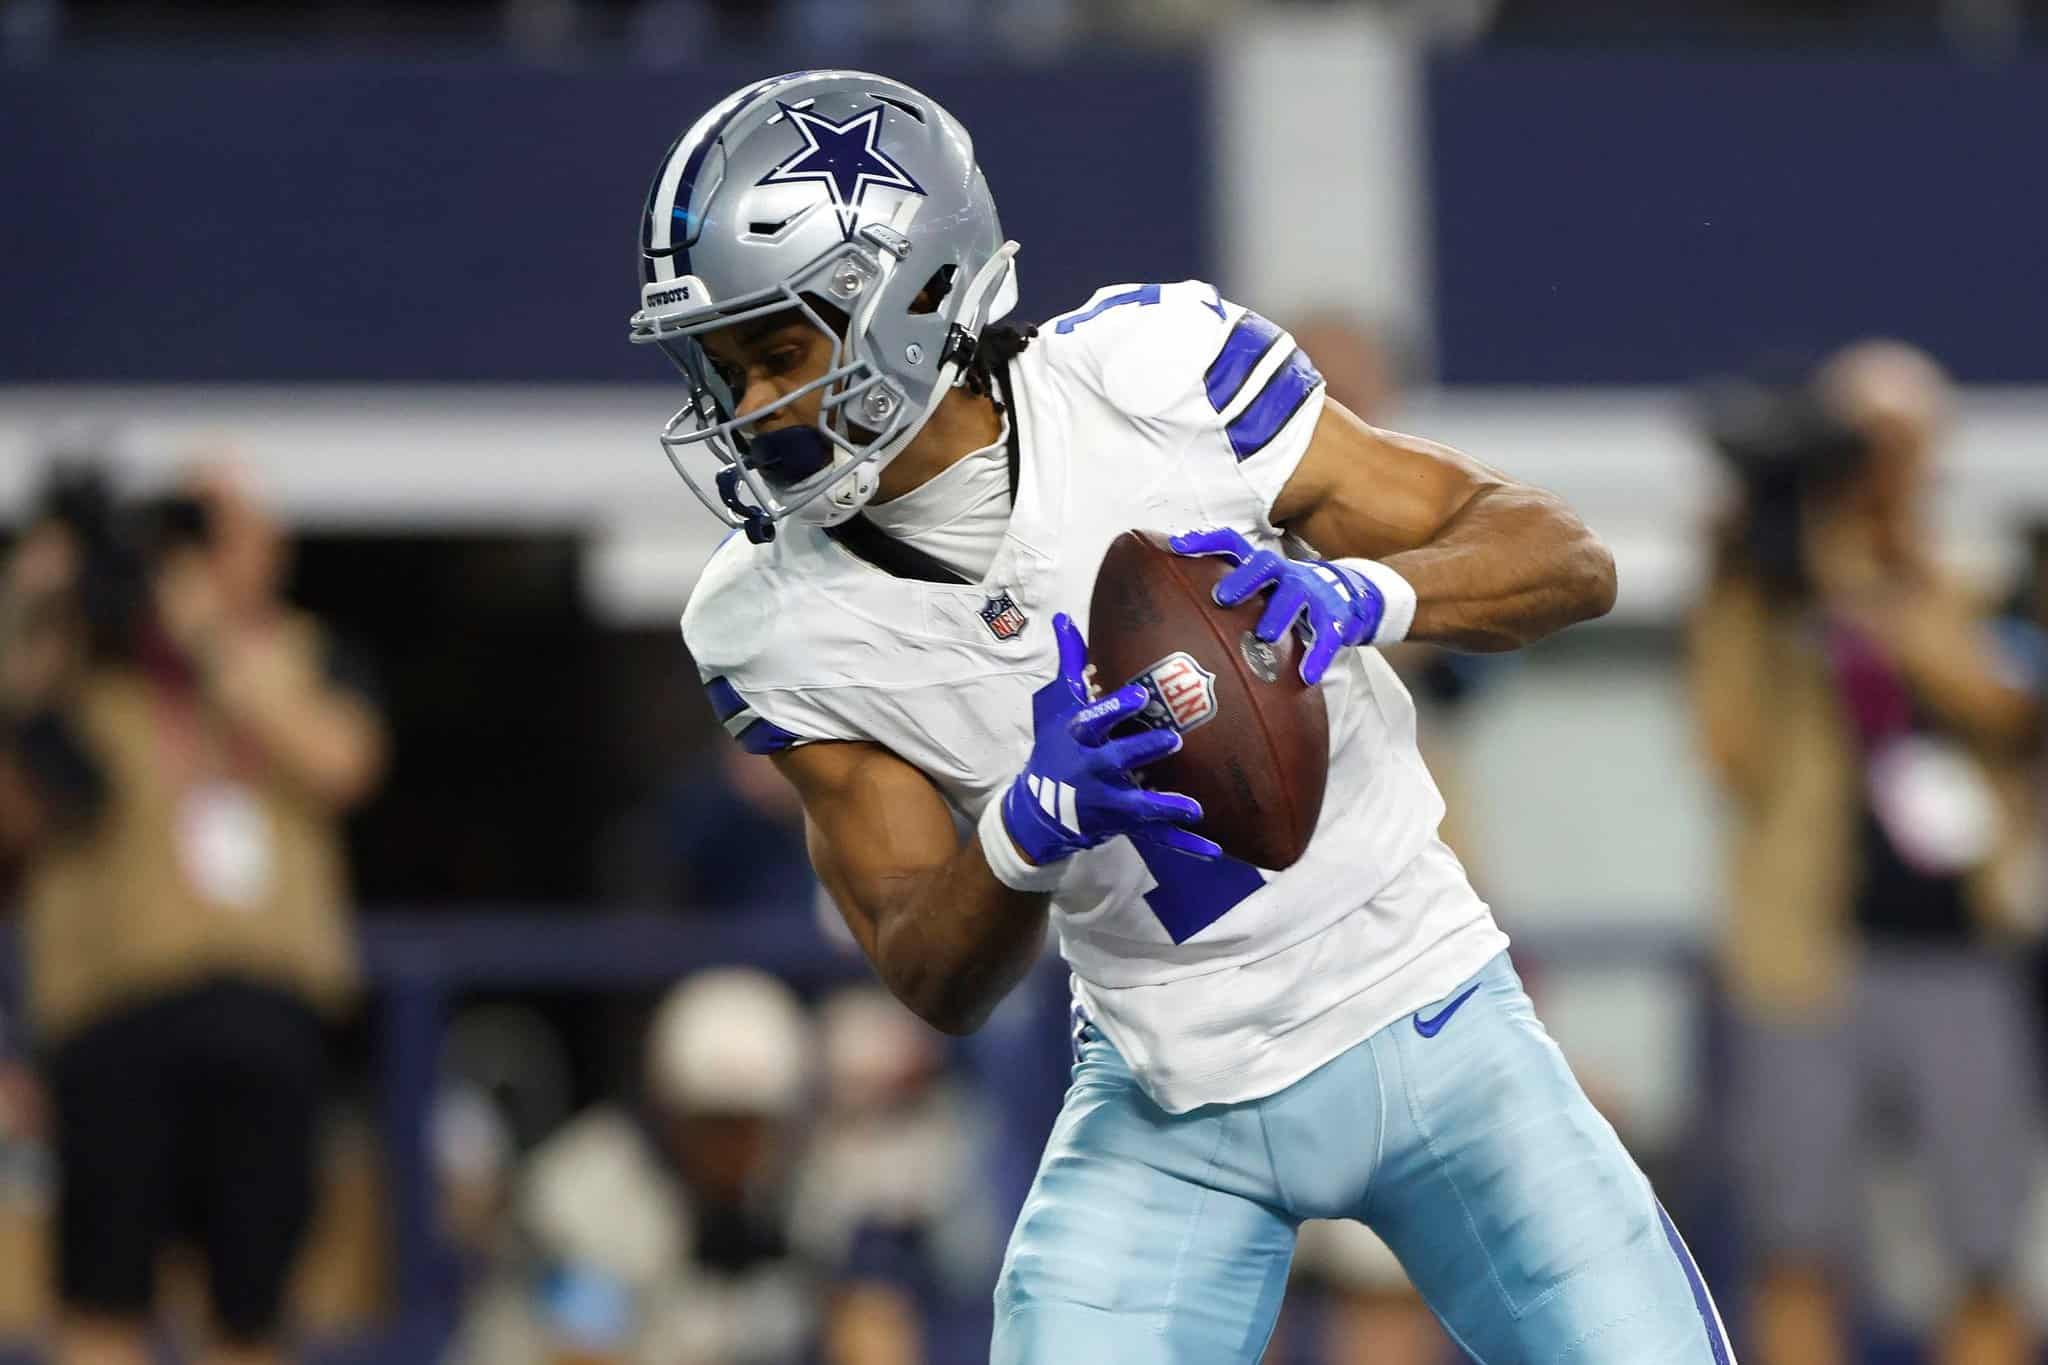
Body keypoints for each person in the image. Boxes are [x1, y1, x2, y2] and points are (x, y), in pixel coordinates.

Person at [626, 71, 1729, 1362]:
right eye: (723, 369)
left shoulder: (1149, 372)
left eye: (777, 354)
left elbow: (1562, 558)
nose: (747, 410)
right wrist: (1024, 833)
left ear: (916, 296)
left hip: (1440, 1024)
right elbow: (930, 973)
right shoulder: (770, 618)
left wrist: (1362, 595)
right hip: (1169, 1100)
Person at [1689, 343, 2042, 1365]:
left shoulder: (1966, 586)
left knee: (1984, 1247)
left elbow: (2004, 709)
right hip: (1804, 955)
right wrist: (1753, 581)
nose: (1877, 466)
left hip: (1960, 950)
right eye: (1859, 444)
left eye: (1898, 443)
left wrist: (1878, 592)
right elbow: (1727, 749)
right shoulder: (1769, 592)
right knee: (1796, 1243)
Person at [0, 461, 384, 1365]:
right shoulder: (84, 669)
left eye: (214, 533)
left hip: (268, 1016)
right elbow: (21, 810)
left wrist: (209, 642)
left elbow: (345, 765)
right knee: (102, 1292)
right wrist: (38, 612)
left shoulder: (303, 653)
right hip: (114, 1016)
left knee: (251, 1306)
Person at [449, 968, 819, 1365]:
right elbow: (580, 1356)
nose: (734, 1144)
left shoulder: (784, 1200)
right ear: (671, 1109)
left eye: (752, 1124)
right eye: (717, 1122)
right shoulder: (583, 1195)